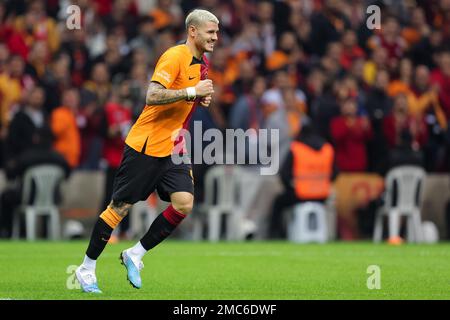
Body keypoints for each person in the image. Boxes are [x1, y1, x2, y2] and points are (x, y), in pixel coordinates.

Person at [75, 9, 218, 293]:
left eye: (217, 32)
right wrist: (191, 93)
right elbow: (152, 95)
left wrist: (198, 99)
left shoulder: (202, 63)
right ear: (193, 31)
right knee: (120, 208)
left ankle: (135, 254)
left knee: (184, 203)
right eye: (210, 32)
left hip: (175, 145)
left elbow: (189, 96)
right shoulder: (174, 56)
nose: (216, 37)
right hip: (147, 144)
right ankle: (86, 268)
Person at [268, 118, 335, 239]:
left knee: (278, 202)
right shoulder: (327, 149)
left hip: (300, 194)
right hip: (322, 196)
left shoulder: (297, 148)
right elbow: (335, 172)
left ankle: (276, 234)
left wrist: (291, 186)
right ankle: (328, 235)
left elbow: (284, 174)